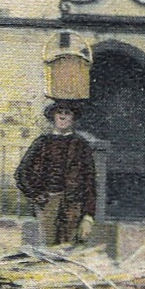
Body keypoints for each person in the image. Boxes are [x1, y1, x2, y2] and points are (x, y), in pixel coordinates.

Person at [15, 99, 97, 246]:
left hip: (73, 204)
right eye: (59, 112)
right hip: (48, 202)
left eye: (67, 113)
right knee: (49, 245)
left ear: (73, 118)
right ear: (53, 116)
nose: (63, 117)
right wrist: (36, 194)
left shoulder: (81, 145)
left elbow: (89, 180)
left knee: (69, 246)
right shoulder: (42, 142)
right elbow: (21, 173)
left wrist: (89, 215)